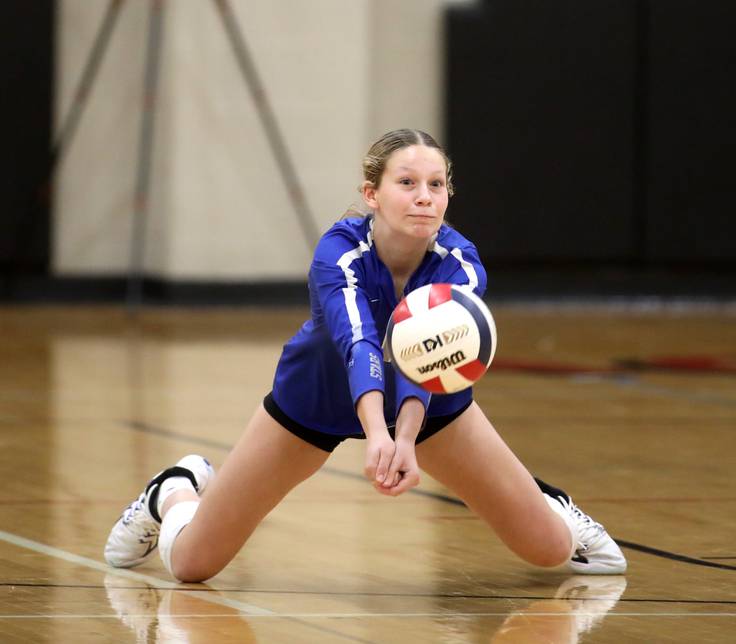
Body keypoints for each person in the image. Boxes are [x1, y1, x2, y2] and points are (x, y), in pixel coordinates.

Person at [104, 129, 626, 582]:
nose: (424, 197)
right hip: (318, 396)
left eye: (436, 185)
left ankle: (550, 504)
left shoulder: (460, 263)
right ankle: (173, 490)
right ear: (371, 193)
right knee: (192, 564)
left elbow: (429, 356)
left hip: (433, 405)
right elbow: (358, 341)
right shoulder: (339, 253)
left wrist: (404, 437)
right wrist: (378, 435)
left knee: (549, 549)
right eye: (407, 183)